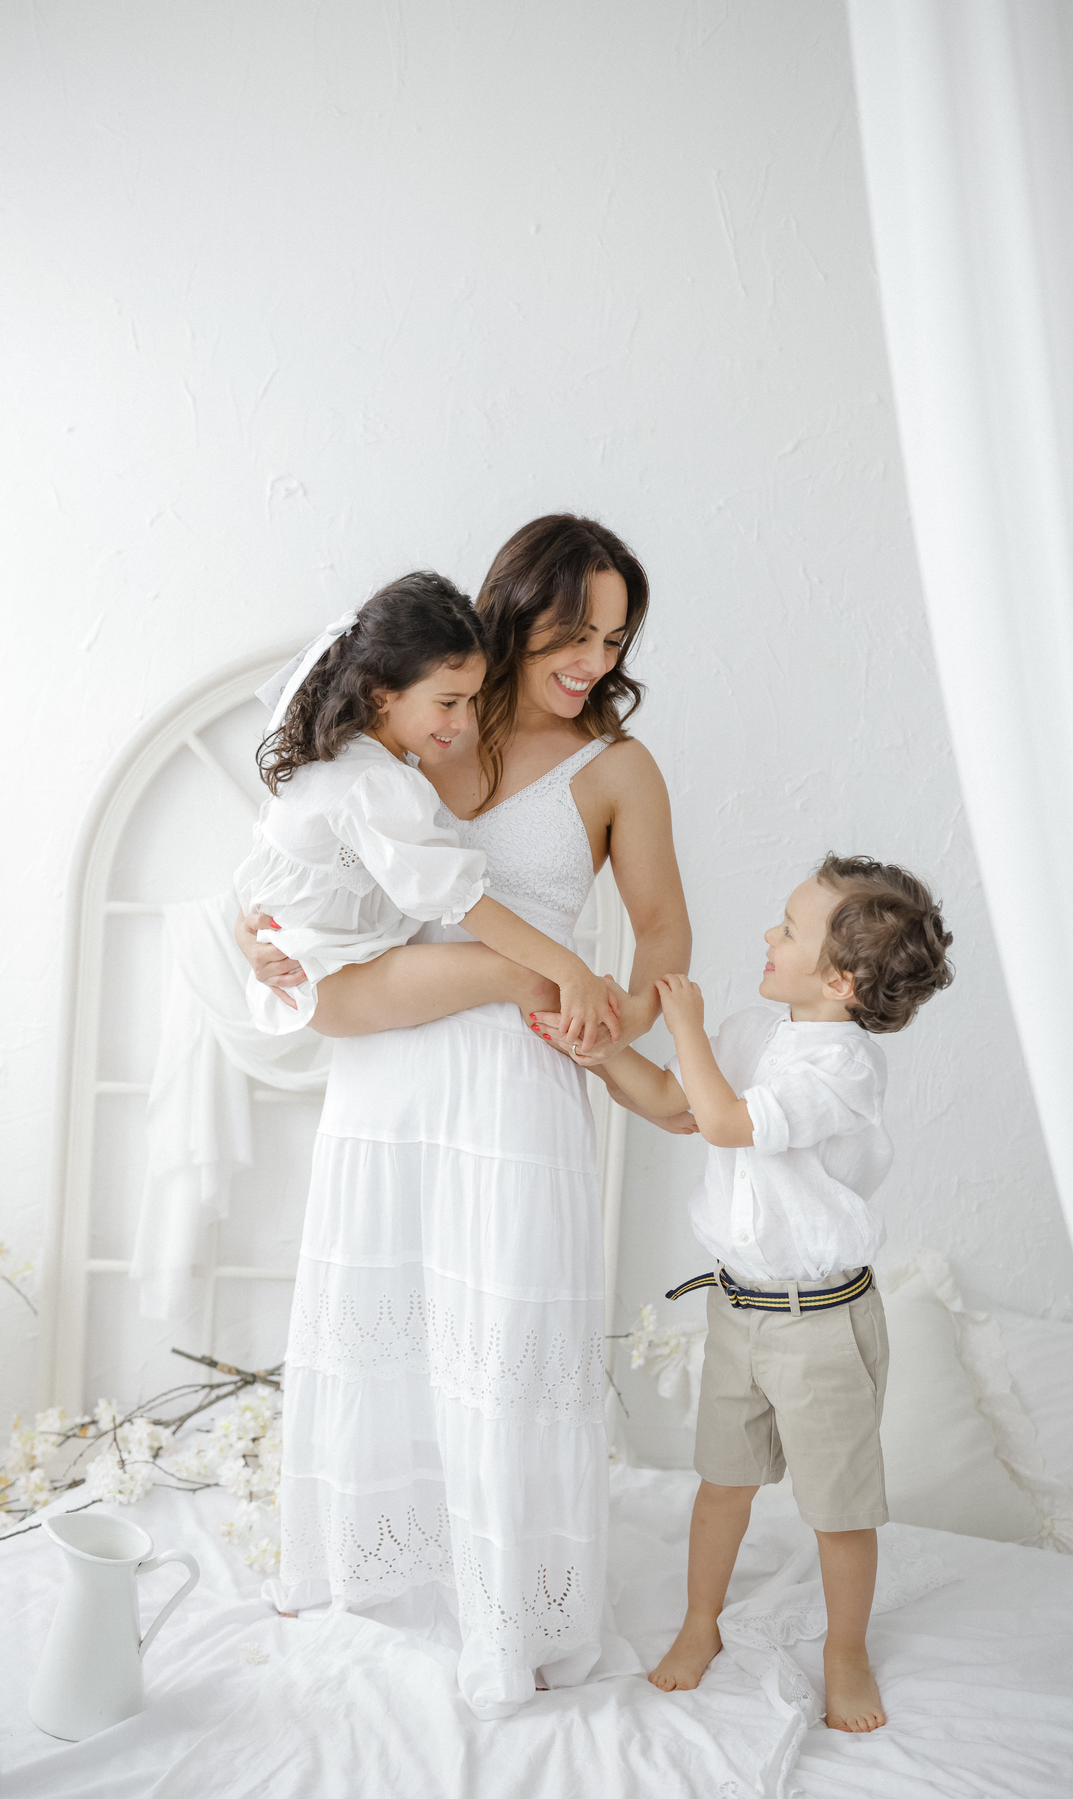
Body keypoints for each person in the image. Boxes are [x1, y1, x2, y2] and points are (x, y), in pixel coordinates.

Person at [235, 515, 691, 1718]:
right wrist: (264, 924)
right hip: (387, 1061)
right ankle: (369, 1565)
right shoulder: (417, 724)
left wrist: (623, 1013)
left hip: (514, 1078)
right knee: (386, 1320)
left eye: (615, 635)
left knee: (499, 1344)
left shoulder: (616, 767)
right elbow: (311, 851)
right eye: (573, 629)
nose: (595, 657)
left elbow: (662, 933)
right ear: (511, 609)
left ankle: (505, 1617)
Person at [545, 854, 953, 1733]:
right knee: (721, 1482)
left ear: (839, 980)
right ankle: (702, 1621)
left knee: (838, 1510)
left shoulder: (843, 1066)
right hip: (738, 1309)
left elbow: (732, 1120)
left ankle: (845, 1651)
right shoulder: (747, 1033)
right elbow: (674, 1102)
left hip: (822, 1326)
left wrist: (681, 1020)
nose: (768, 935)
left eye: (788, 928)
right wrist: (604, 1052)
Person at [235, 569, 619, 1052]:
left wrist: (246, 934)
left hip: (316, 966)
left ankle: (644, 1084)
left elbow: (270, 881)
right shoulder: (376, 782)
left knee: (541, 977)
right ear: (381, 694)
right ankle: (650, 1090)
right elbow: (461, 901)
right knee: (538, 978)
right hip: (331, 979)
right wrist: (571, 968)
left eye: (472, 700)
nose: (463, 721)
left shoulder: (340, 755)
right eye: (448, 702)